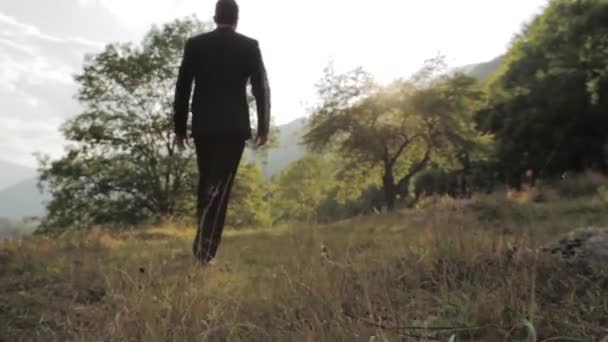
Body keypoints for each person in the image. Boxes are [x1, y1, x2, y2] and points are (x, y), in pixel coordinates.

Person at [173, 0, 271, 265]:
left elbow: (183, 87)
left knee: (206, 183)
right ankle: (206, 251)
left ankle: (203, 248)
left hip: (204, 127)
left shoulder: (195, 44)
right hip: (233, 127)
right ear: (236, 18)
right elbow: (261, 87)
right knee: (221, 188)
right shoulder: (248, 46)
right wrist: (263, 126)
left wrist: (180, 127)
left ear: (214, 17)